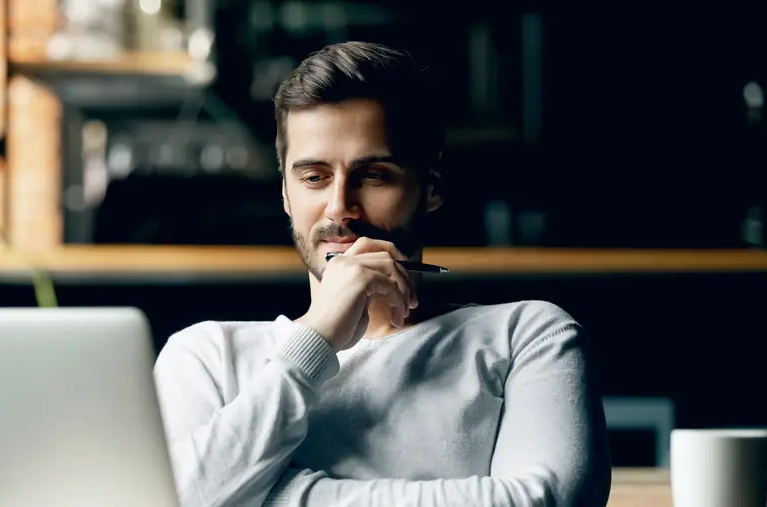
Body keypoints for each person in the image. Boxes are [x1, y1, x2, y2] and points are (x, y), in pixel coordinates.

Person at [153, 41, 611, 507]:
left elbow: (546, 501)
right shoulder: (207, 355)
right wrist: (316, 339)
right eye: (313, 177)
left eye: (373, 176)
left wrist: (270, 495)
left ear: (430, 190)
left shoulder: (526, 335)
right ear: (286, 195)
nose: (339, 208)